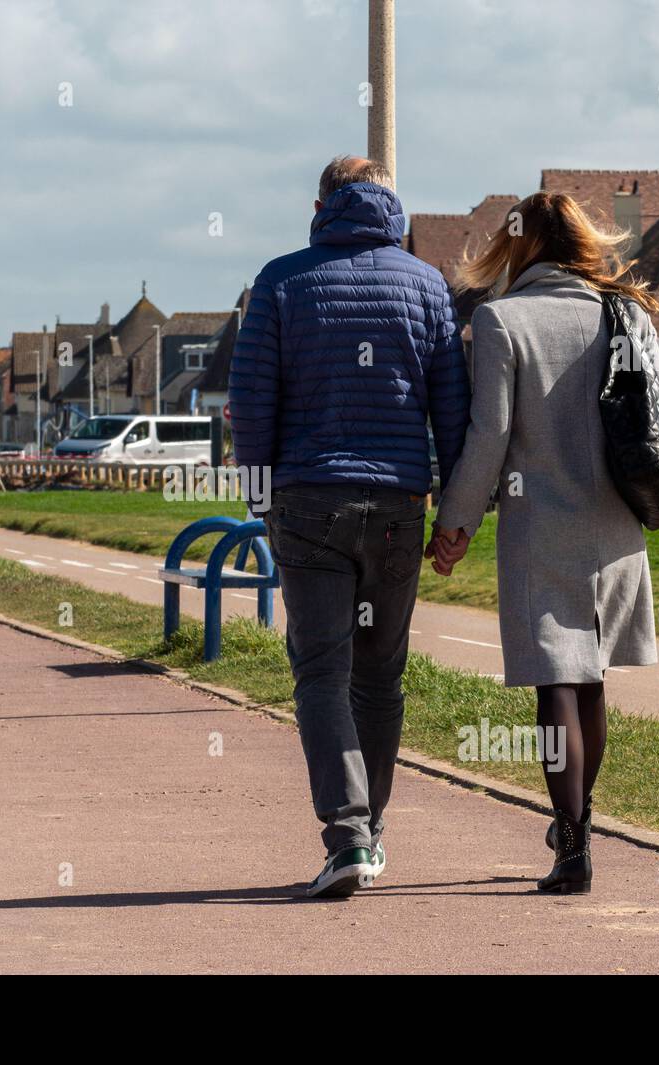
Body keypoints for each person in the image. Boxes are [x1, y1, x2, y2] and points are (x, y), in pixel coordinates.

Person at [228, 156, 470, 897]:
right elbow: (453, 407)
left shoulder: (280, 280)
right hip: (399, 503)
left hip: (309, 501)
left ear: (319, 205)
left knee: (321, 674)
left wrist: (259, 501)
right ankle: (372, 831)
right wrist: (455, 517)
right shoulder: (425, 284)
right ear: (392, 206)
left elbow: (252, 402)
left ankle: (349, 834)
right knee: (381, 678)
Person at [432, 191, 659, 895]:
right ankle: (580, 822)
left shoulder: (502, 320)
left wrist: (454, 524)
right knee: (592, 676)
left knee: (556, 680)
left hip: (538, 521)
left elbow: (488, 439)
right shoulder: (627, 313)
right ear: (583, 241)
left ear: (520, 246)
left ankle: (571, 844)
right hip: (616, 520)